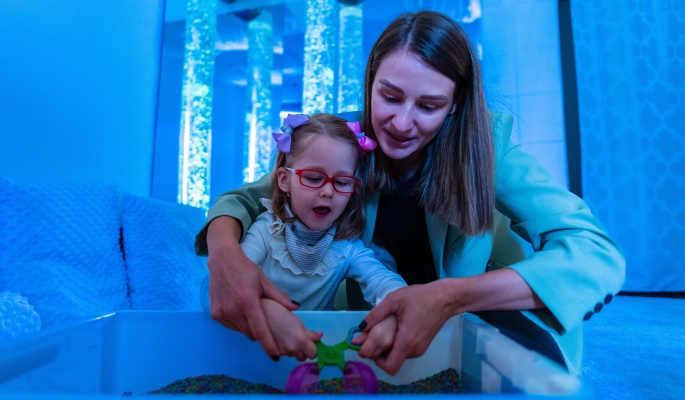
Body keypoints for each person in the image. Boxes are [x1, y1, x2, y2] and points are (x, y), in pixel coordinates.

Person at [194, 10, 625, 375]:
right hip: (380, 321)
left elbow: (596, 255)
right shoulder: (345, 138)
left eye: (428, 106)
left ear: (455, 103)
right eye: (390, 96)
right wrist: (226, 259)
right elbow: (245, 200)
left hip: (486, 319)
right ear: (371, 80)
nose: (401, 123)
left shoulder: (488, 147)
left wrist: (450, 298)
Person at [199, 113, 407, 361]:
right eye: (313, 178)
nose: (328, 191)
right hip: (245, 353)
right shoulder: (267, 231)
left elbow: (383, 281)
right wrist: (265, 309)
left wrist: (394, 314)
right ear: (285, 180)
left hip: (307, 362)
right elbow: (216, 288)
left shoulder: (347, 247)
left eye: (341, 182)